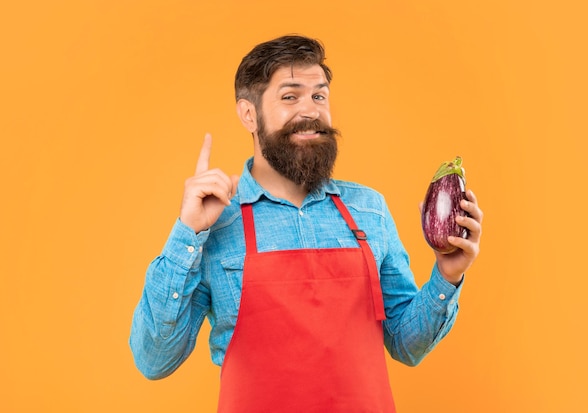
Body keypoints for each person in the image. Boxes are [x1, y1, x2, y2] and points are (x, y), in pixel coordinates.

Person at [130, 34, 483, 412]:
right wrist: (188, 232)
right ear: (249, 114)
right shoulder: (215, 222)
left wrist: (447, 276)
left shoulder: (369, 210)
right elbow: (155, 360)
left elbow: (405, 344)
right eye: (290, 96)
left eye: (319, 96)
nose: (310, 110)